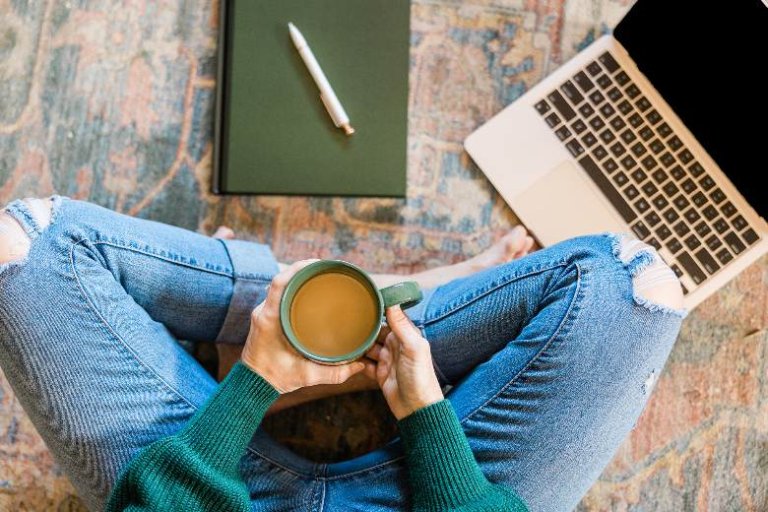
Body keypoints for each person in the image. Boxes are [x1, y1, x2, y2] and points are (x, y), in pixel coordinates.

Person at [0, 196, 684, 512]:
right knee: (633, 285)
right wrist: (425, 417)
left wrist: (250, 386)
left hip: (203, 495)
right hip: (427, 501)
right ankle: (353, 325)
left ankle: (279, 339)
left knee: (24, 248)